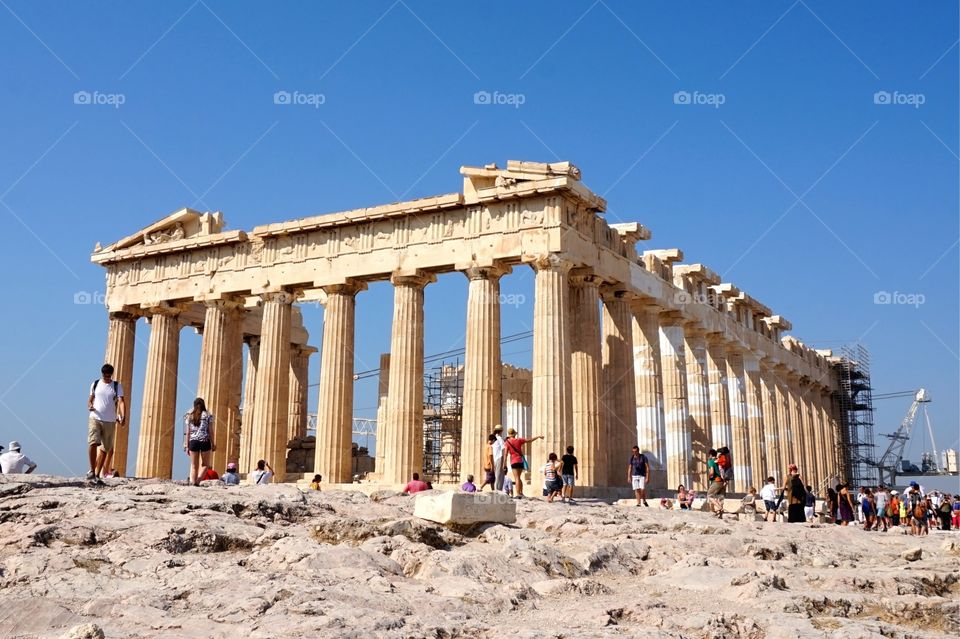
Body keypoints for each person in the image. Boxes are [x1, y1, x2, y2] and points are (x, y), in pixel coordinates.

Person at [87, 363, 125, 481]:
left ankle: (98, 474)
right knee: (93, 443)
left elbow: (121, 401)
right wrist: (89, 405)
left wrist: (123, 415)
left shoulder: (117, 386)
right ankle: (92, 470)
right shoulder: (96, 383)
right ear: (102, 374)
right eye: (105, 376)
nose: (107, 378)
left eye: (109, 376)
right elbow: (91, 398)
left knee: (105, 449)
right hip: (95, 417)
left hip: (110, 420)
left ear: (111, 375)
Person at [183, 398, 215, 486]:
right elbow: (210, 431)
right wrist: (213, 443)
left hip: (193, 441)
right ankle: (198, 481)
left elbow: (188, 432)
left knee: (194, 465)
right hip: (205, 440)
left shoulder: (189, 415)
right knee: (205, 465)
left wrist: (186, 445)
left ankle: (193, 482)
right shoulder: (208, 415)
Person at [503, 428, 543, 499]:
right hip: (520, 460)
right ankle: (521, 492)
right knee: (519, 477)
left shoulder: (507, 442)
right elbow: (529, 440)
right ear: (514, 434)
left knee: (516, 478)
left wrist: (504, 463)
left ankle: (518, 494)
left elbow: (505, 453)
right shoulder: (519, 440)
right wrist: (538, 436)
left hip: (513, 461)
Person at [706, 448, 726, 517]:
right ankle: (720, 514)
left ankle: (720, 508)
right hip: (722, 481)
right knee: (719, 497)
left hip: (716, 481)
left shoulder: (711, 461)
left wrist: (709, 476)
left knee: (709, 495)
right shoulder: (718, 461)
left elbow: (712, 472)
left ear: (711, 455)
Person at [492, 425, 507, 491]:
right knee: (500, 476)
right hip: (499, 458)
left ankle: (496, 489)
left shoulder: (493, 438)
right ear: (501, 431)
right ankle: (498, 490)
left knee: (496, 475)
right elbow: (504, 449)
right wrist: (504, 461)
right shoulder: (500, 439)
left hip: (494, 458)